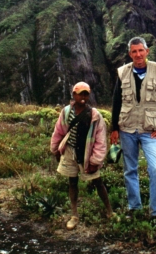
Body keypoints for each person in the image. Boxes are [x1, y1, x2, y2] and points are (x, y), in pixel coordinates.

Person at [110, 36, 156, 219]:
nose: (138, 54)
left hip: (150, 131)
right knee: (130, 170)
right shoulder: (122, 73)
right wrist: (114, 128)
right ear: (130, 54)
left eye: (141, 50)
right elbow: (116, 102)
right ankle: (134, 208)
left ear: (147, 51)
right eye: (134, 51)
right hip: (127, 129)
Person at [50, 81, 113, 230]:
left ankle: (110, 211)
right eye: (80, 94)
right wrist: (55, 149)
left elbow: (100, 139)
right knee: (72, 182)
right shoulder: (66, 112)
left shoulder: (94, 115)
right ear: (74, 95)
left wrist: (96, 160)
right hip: (70, 151)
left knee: (97, 181)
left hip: (87, 152)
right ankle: (74, 215)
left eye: (86, 94)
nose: (83, 97)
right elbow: (59, 131)